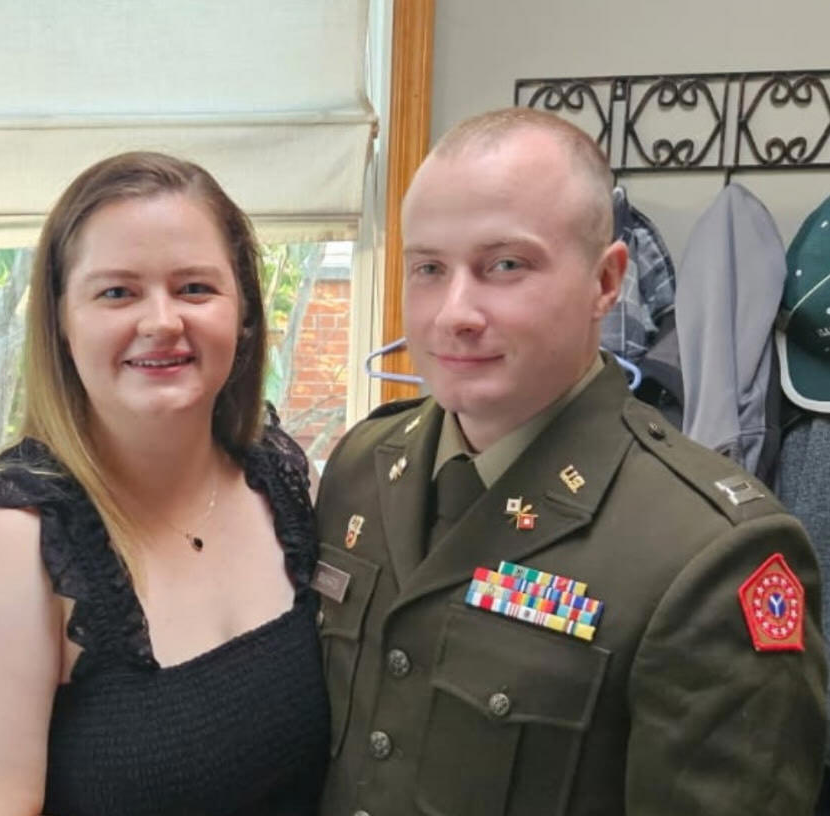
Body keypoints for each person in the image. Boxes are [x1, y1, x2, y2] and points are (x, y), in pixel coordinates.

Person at [314, 108, 826, 815]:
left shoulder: (709, 552)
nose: (454, 313)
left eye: (505, 266)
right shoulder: (361, 468)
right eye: (428, 268)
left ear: (605, 281)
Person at [0, 152, 329, 816]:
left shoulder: (281, 480)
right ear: (61, 322)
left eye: (195, 288)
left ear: (243, 312)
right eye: (117, 293)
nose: (161, 321)